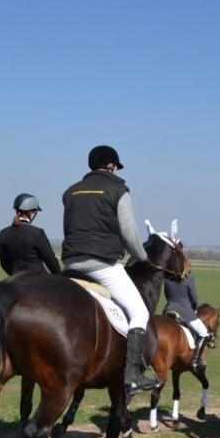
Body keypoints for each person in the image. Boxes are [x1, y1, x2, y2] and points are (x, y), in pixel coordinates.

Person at [61, 145, 160, 396]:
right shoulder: (119, 189)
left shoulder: (70, 192)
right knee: (139, 313)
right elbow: (129, 233)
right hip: (102, 266)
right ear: (111, 166)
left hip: (71, 264)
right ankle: (134, 376)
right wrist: (142, 257)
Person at [0, 193, 62, 276]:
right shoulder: (37, 233)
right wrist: (59, 276)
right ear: (31, 212)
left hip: (15, 277)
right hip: (37, 277)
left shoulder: (3, 233)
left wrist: (15, 276)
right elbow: (50, 260)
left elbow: (4, 263)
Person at [162, 270, 210, 370]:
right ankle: (196, 361)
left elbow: (167, 296)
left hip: (168, 311)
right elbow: (194, 299)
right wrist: (194, 308)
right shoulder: (188, 279)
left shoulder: (167, 279)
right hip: (185, 312)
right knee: (204, 333)